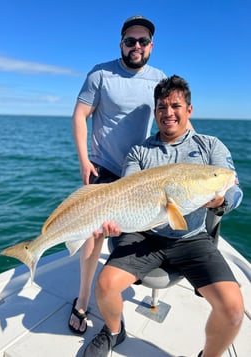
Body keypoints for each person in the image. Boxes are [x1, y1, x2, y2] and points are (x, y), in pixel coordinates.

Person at [82, 75, 244, 357]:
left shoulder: (210, 146)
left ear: (189, 110)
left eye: (175, 106)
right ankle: (115, 331)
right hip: (146, 234)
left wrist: (220, 201)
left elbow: (233, 186)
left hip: (192, 238)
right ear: (155, 112)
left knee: (233, 309)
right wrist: (112, 223)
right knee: (105, 285)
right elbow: (127, 192)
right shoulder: (139, 151)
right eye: (161, 107)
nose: (168, 113)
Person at [69, 15, 177, 334]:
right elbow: (79, 116)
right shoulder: (100, 73)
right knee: (93, 235)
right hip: (103, 166)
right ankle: (84, 299)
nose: (137, 46)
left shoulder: (159, 79)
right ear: (121, 44)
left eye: (143, 41)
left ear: (151, 46)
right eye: (130, 41)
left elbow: (174, 119)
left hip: (141, 174)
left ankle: (114, 290)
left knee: (131, 234)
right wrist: (83, 160)